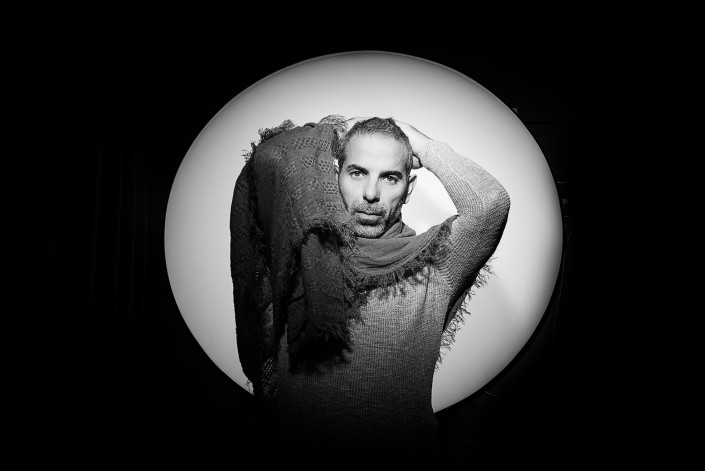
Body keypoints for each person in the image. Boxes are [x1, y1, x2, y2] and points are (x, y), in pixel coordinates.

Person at [230, 115, 510, 466]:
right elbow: (268, 160)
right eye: (357, 172)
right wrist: (338, 132)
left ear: (409, 188)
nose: (371, 194)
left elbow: (490, 203)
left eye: (390, 177)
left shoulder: (435, 262)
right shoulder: (302, 252)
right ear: (335, 177)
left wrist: (421, 143)